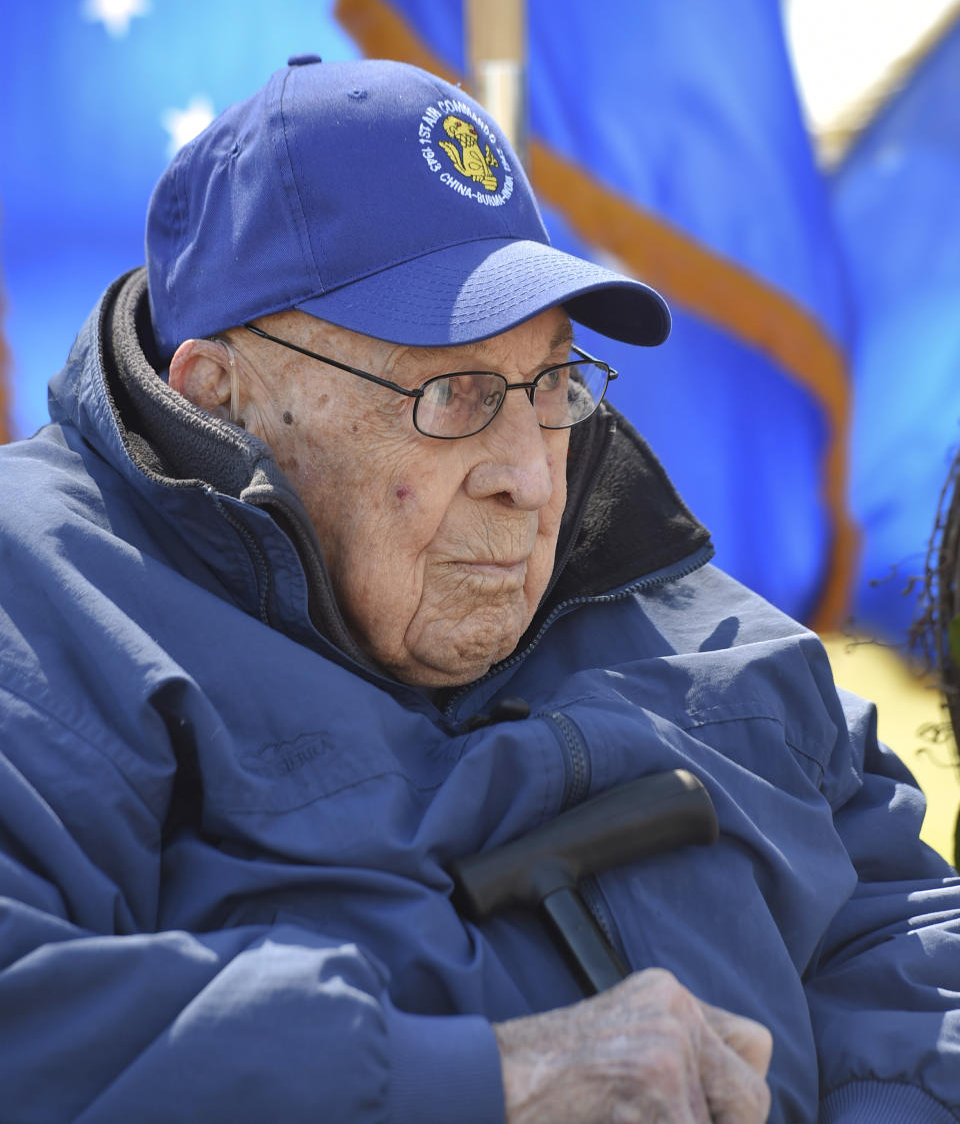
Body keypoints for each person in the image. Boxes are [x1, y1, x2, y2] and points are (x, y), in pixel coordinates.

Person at [0, 56, 957, 1124]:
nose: (534, 473)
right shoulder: (38, 596)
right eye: (451, 390)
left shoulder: (700, 618)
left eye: (551, 381)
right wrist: (488, 1083)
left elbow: (903, 933)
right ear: (221, 395)